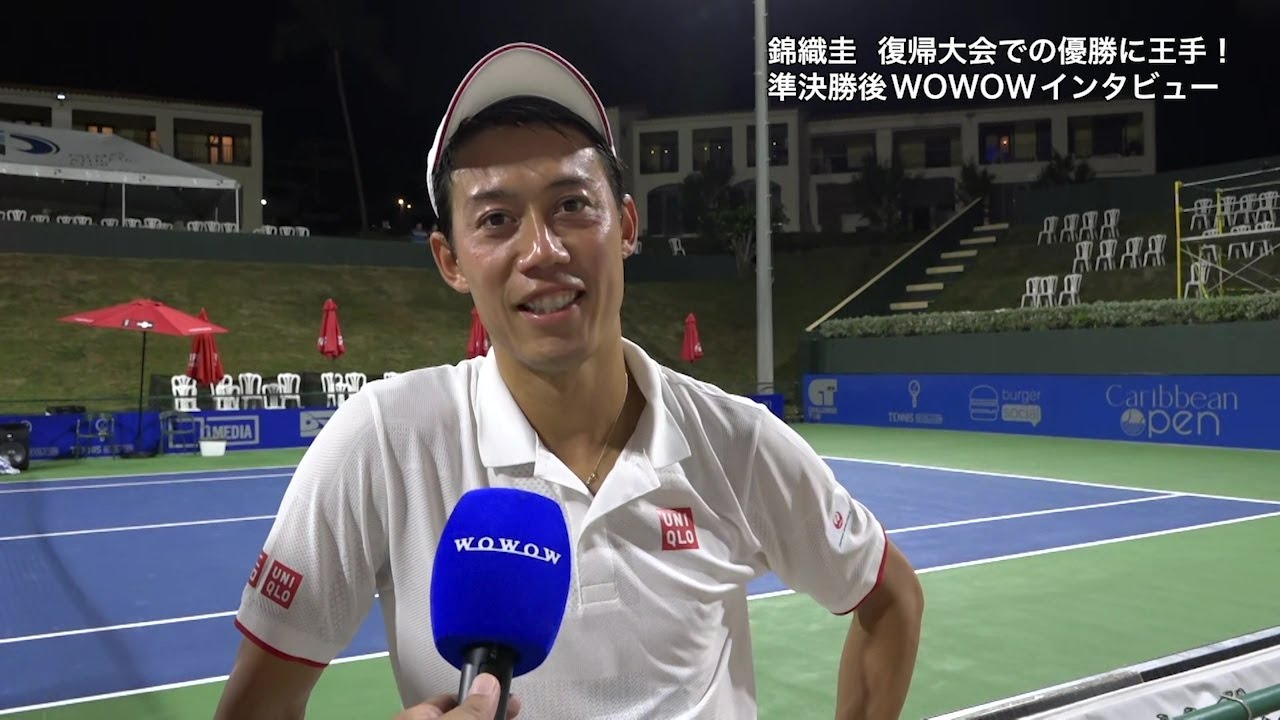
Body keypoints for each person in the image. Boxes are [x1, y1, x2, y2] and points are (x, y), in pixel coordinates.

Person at [214, 42, 923, 720]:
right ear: (450, 260)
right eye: (496, 219)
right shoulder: (383, 441)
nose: (542, 250)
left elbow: (890, 596)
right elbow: (259, 706)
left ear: (627, 225)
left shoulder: (737, 441)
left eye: (572, 205)